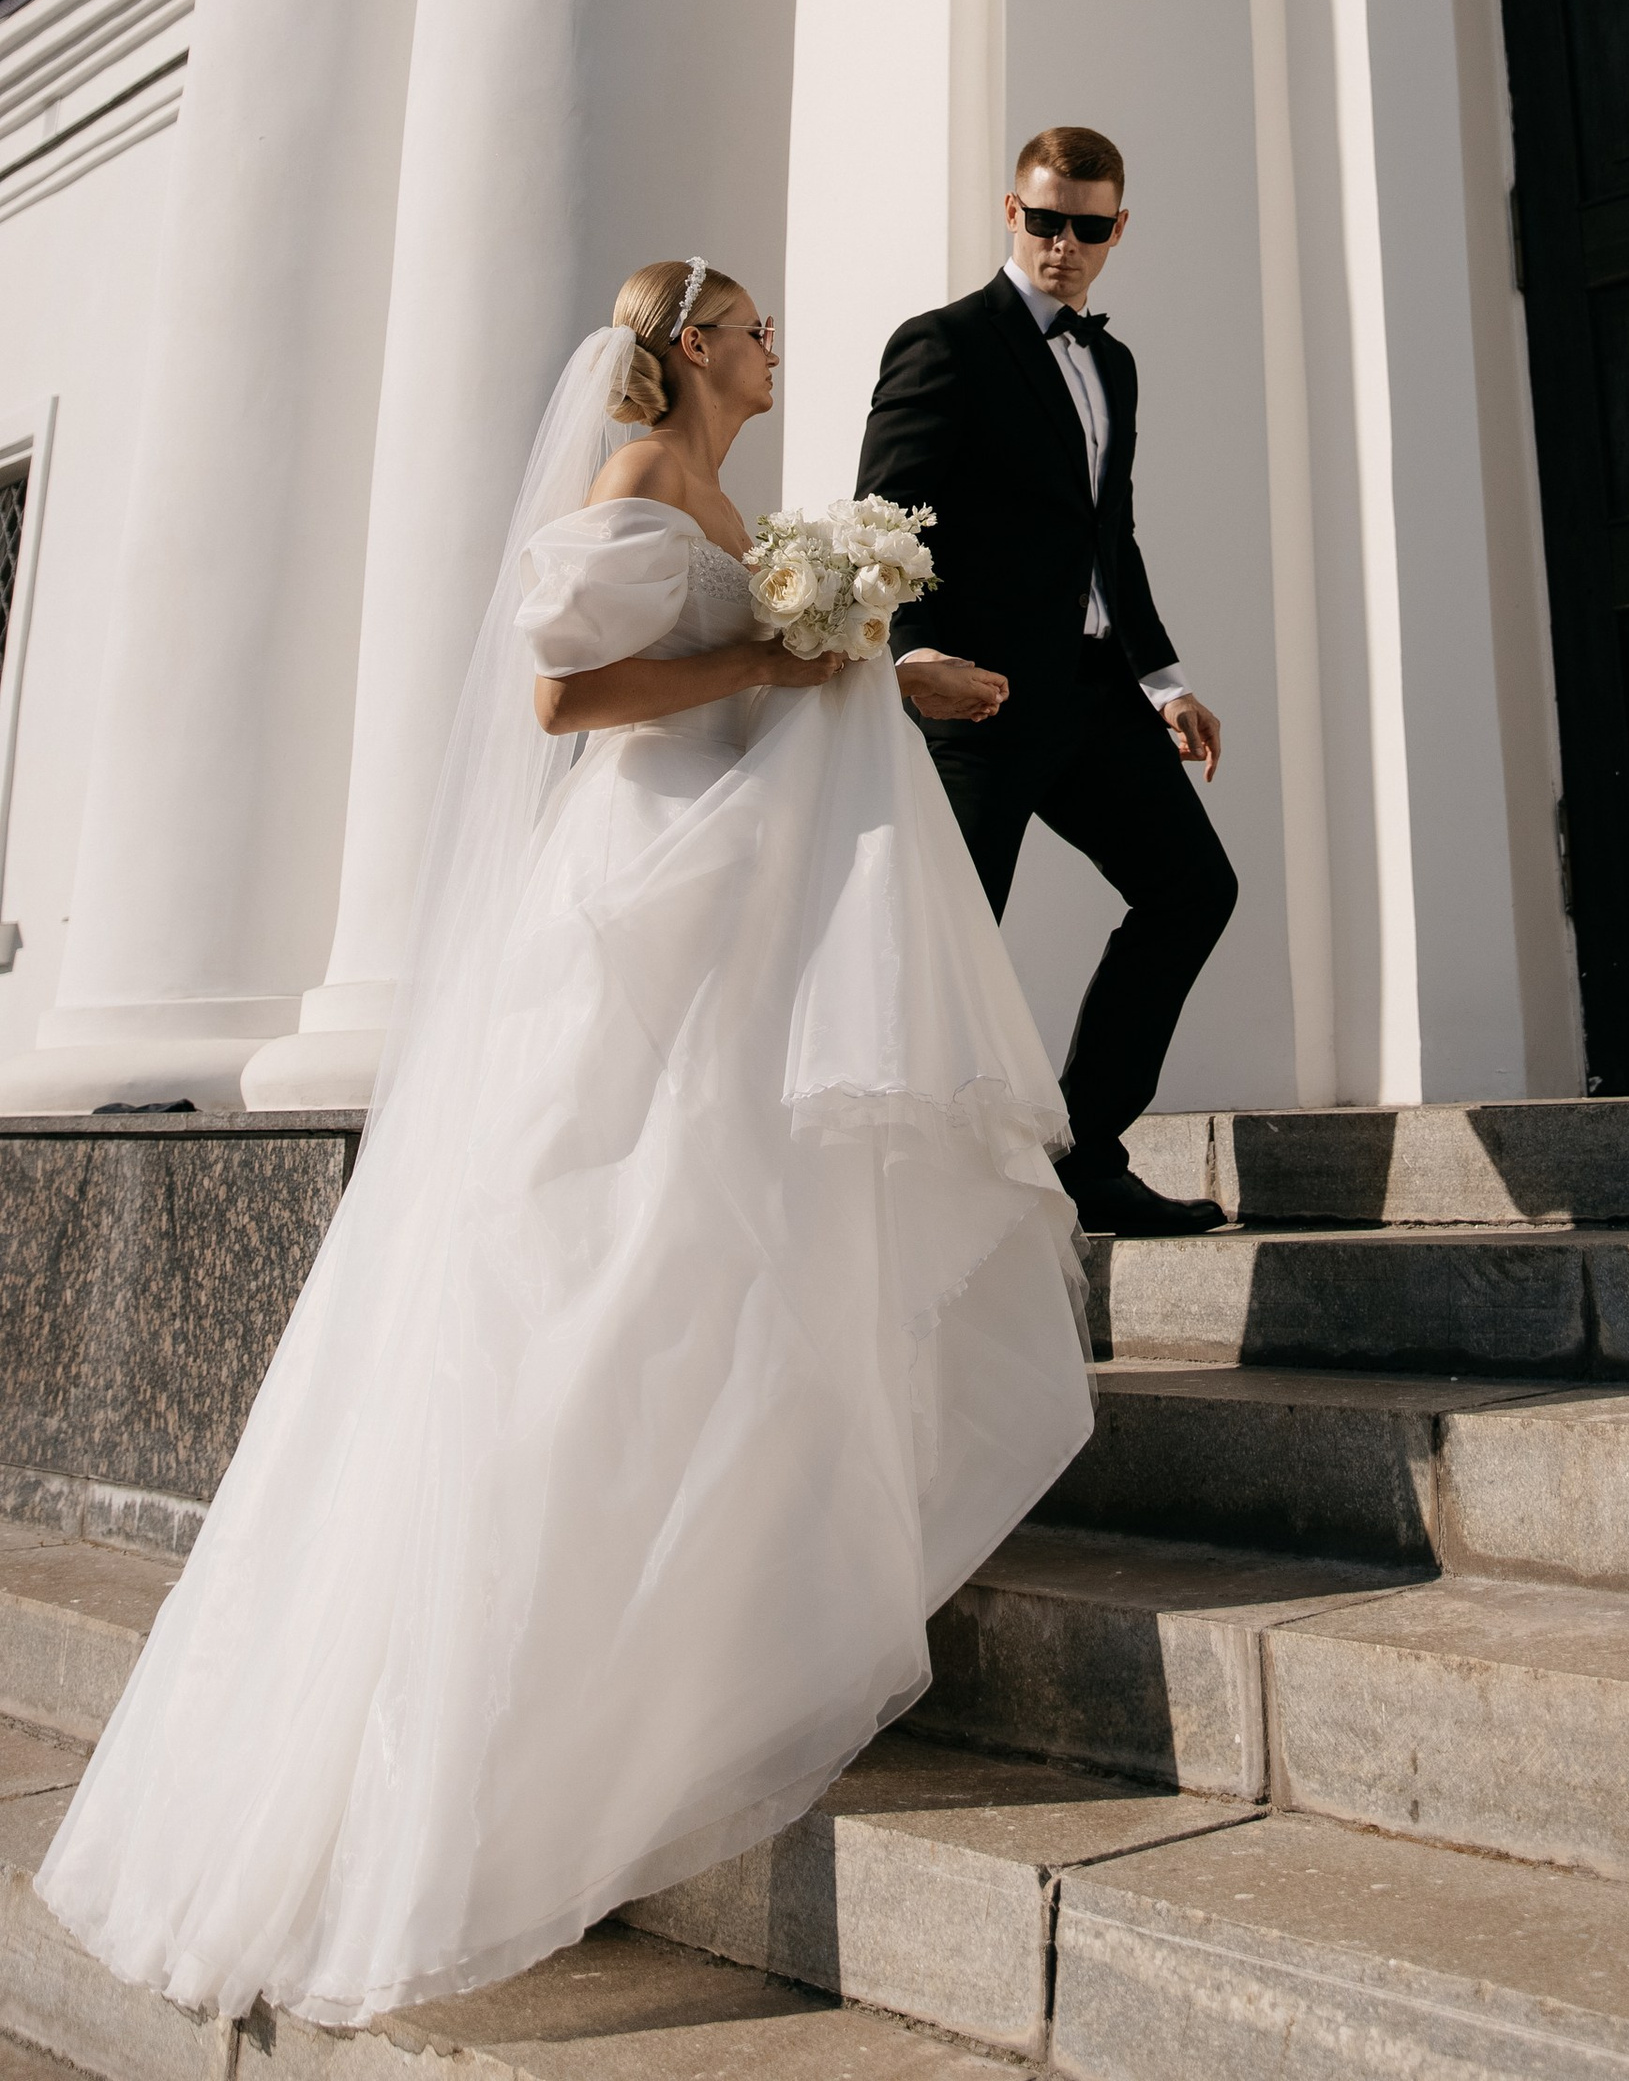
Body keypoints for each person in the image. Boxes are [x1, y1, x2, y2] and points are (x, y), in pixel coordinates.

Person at [39, 260, 1092, 2029]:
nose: (774, 347)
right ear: (689, 351)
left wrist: (871, 669)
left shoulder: (715, 493)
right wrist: (791, 642)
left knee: (689, 1258)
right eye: (751, 327)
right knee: (603, 1262)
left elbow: (741, 679)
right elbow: (567, 702)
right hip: (641, 910)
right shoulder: (632, 487)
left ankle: (669, 1648)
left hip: (709, 906)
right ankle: (506, 1758)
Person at [858, 125, 1235, 1239]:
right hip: (980, 696)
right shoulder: (943, 344)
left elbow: (1107, 535)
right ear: (1008, 214)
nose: (1061, 245)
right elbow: (888, 511)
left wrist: (1163, 678)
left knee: (1190, 891)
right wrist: (914, 652)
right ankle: (898, 1192)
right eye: (1042, 220)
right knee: (953, 939)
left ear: (1118, 230)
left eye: (1086, 226)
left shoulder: (1110, 362)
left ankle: (1087, 1152)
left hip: (1092, 691)